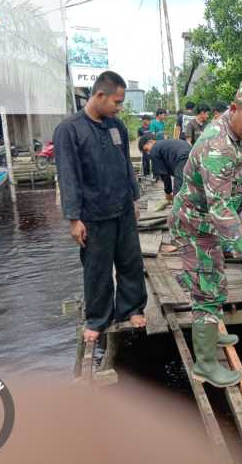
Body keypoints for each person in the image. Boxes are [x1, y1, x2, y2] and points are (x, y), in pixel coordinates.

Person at [169, 80, 242, 388]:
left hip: (206, 224)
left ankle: (212, 332)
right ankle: (205, 364)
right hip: (195, 225)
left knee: (214, 276)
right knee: (206, 289)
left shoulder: (232, 132)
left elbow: (230, 194)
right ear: (234, 108)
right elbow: (220, 208)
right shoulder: (219, 147)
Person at [54, 70, 149, 344]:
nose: (119, 108)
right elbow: (67, 175)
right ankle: (98, 318)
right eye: (117, 102)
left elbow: (125, 165)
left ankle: (131, 307)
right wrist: (74, 219)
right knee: (97, 267)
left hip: (122, 209)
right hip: (93, 215)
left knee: (131, 261)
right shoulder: (69, 130)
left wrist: (134, 199)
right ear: (100, 95)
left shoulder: (116, 127)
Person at [139, 133, 191, 202]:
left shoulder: (154, 149)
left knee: (178, 191)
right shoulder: (164, 144)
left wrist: (168, 192)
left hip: (182, 158)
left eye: (146, 149)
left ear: (150, 142)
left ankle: (179, 209)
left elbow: (164, 175)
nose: (148, 153)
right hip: (192, 153)